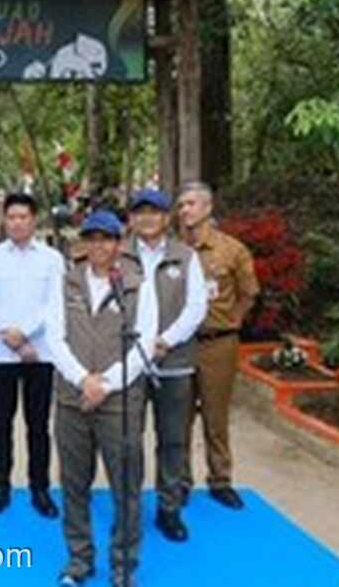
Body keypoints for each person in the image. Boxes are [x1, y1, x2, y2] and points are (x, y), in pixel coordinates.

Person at [50, 210, 149, 587]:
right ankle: (79, 560)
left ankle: (123, 566)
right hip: (71, 398)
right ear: (82, 243)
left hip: (120, 402)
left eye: (105, 239)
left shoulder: (138, 284)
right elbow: (53, 337)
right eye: (91, 238)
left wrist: (103, 385)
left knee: (126, 485)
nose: (98, 246)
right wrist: (81, 380)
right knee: (74, 483)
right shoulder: (65, 283)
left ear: (118, 243)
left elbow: (145, 340)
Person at [122, 188, 207, 542]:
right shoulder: (119, 256)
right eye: (140, 212)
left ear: (166, 217)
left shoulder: (185, 256)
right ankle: (128, 511)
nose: (147, 218)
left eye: (154, 212)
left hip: (174, 362)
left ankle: (168, 508)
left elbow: (196, 307)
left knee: (173, 440)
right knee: (128, 440)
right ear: (132, 218)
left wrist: (165, 341)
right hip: (128, 365)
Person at [0, 192, 63, 518]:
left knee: (38, 424)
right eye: (10, 217)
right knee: (0, 423)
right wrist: (11, 337)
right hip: (1, 354)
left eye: (23, 217)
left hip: (40, 354)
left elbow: (53, 304)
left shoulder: (52, 259)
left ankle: (39, 487)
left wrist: (25, 334)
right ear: (4, 220)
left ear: (34, 219)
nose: (16, 222)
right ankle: (0, 486)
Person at [175, 181, 259, 510]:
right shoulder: (173, 251)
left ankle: (220, 479)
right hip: (180, 345)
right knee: (178, 417)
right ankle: (180, 480)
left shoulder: (232, 250)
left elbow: (249, 292)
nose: (184, 211)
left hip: (218, 344)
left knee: (216, 415)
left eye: (191, 204)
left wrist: (232, 320)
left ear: (208, 208)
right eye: (181, 205)